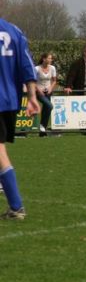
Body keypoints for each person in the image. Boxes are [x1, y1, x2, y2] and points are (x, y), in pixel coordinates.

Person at [0, 17, 40, 220]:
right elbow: (27, 67)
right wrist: (32, 97)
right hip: (10, 100)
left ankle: (16, 207)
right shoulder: (14, 31)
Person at [35, 52, 57, 137]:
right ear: (44, 59)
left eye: (51, 58)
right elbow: (32, 81)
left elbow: (54, 81)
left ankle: (42, 131)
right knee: (49, 106)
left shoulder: (52, 68)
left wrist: (51, 88)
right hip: (39, 92)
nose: (51, 60)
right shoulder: (36, 68)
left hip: (48, 92)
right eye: (49, 58)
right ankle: (42, 127)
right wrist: (38, 90)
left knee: (46, 109)